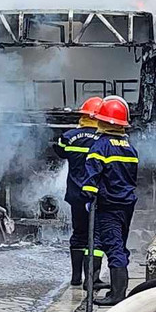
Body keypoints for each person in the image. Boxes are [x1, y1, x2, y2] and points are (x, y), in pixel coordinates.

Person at [80, 95, 138, 307]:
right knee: (120, 245)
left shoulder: (101, 146)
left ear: (102, 121)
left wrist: (89, 196)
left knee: (113, 248)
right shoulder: (129, 148)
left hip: (108, 206)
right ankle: (118, 288)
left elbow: (91, 180)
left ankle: (117, 294)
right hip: (126, 205)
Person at [56, 96, 104, 287]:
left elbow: (59, 151)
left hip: (75, 194)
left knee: (79, 234)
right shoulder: (104, 139)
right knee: (96, 236)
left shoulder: (68, 136)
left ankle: (76, 278)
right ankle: (91, 280)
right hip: (96, 194)